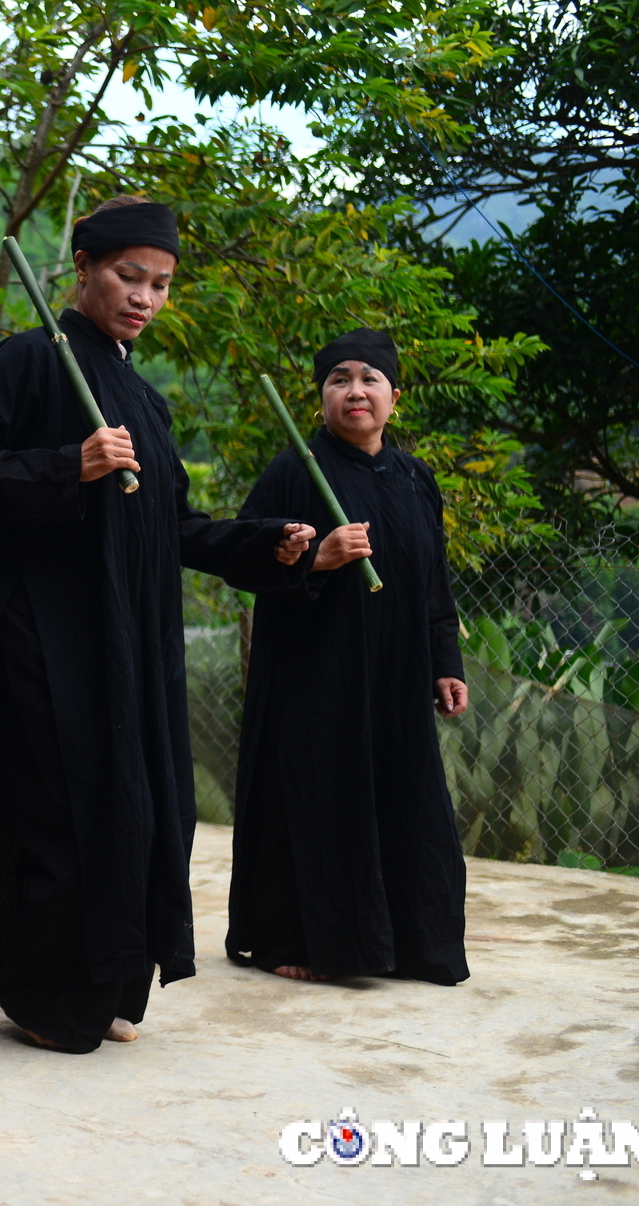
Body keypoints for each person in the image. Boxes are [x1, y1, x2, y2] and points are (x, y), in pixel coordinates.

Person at [0, 195, 317, 1054]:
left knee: (139, 812)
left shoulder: (143, 399)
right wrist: (69, 462)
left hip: (130, 651)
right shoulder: (33, 361)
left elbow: (172, 528)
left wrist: (269, 546)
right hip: (46, 639)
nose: (144, 296)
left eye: (161, 283)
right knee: (61, 811)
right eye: (128, 276)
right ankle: (43, 995)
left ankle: (102, 981)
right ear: (84, 271)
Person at [224, 329, 471, 986]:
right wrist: (315, 557)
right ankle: (292, 938)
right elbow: (242, 557)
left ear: (395, 394)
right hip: (315, 679)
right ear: (321, 396)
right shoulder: (294, 469)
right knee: (314, 804)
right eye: (338, 379)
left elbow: (434, 583)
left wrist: (446, 659)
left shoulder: (417, 479)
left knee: (407, 802)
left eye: (368, 378)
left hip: (398, 680)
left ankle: (409, 944)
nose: (354, 391)